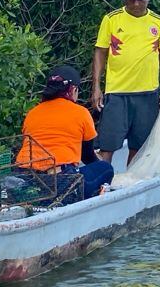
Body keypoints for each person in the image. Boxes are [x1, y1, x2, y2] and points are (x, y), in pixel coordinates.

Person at [90, 0, 160, 164]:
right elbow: (100, 51)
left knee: (139, 147)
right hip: (117, 93)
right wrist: (96, 86)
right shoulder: (111, 19)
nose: (135, 3)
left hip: (147, 94)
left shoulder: (159, 22)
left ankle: (131, 185)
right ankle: (103, 185)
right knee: (107, 146)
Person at [16, 64, 114, 202]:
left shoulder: (32, 113)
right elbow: (87, 157)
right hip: (61, 181)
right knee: (106, 168)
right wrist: (100, 160)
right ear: (73, 89)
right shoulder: (81, 113)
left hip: (27, 178)